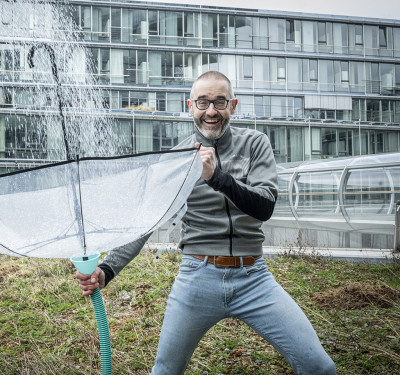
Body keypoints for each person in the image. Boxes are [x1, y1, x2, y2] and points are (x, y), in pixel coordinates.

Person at [75, 71, 337, 375]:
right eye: (203, 102)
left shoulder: (255, 143)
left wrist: (218, 178)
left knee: (320, 367)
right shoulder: (175, 159)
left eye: (219, 102)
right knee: (165, 371)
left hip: (253, 277)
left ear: (233, 105)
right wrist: (107, 270)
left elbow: (265, 205)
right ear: (190, 106)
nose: (211, 111)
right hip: (196, 277)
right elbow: (146, 223)